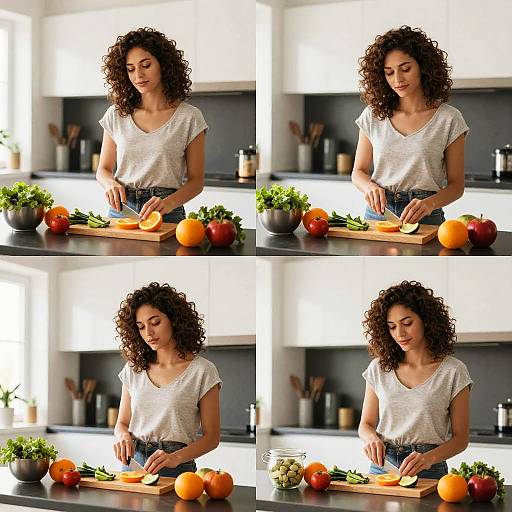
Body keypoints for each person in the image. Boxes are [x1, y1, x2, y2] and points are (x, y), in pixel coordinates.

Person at [352, 26, 469, 225]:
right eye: (389, 73)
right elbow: (358, 172)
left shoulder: (449, 119)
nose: (397, 80)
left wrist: (429, 204)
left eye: (405, 69)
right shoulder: (373, 115)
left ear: (423, 66)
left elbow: (456, 186)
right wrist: (369, 188)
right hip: (378, 215)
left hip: (426, 216)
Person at [358, 281, 472, 479]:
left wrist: (428, 458)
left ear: (426, 320)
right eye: (391, 327)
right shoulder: (378, 368)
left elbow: (461, 438)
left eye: (407, 323)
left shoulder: (453, 371)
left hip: (429, 468)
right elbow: (365, 424)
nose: (399, 334)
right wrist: (371, 439)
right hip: (382, 467)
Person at [96, 27, 207, 223]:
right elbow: (103, 169)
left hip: (167, 212)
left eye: (145, 65)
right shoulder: (115, 114)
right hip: (122, 210)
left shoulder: (190, 117)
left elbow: (196, 182)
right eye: (130, 69)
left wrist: (169, 203)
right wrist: (109, 184)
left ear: (163, 65)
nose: (138, 75)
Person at [113, 282, 221, 477]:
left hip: (176, 468)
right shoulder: (132, 369)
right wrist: (122, 436)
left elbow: (212, 438)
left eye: (155, 323)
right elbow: (122, 422)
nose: (148, 333)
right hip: (132, 464)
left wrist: (175, 458)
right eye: (141, 327)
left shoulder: (202, 371)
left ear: (174, 319)